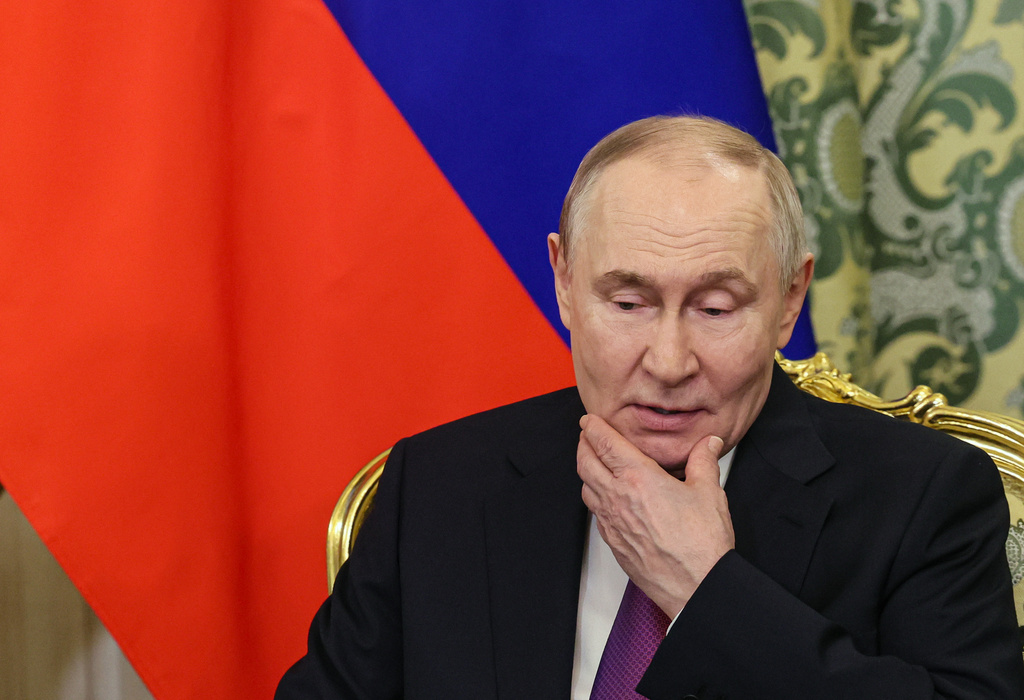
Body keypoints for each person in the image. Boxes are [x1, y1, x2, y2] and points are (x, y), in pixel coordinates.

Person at [277, 116, 1024, 698]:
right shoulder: (439, 484)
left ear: (790, 299)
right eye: (628, 303)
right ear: (564, 283)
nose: (668, 363)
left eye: (716, 307)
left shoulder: (924, 495)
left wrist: (707, 593)